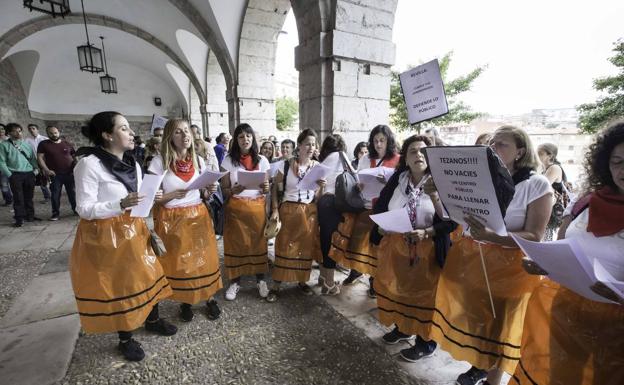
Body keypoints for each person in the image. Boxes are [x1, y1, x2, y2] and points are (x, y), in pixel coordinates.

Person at [429, 125, 553, 385]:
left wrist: (492, 237)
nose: (493, 148)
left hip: (513, 271)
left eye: (501, 144)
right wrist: (435, 195)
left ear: (520, 151)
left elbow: (534, 236)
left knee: (503, 327)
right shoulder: (481, 177)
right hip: (477, 261)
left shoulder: (536, 184)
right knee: (481, 319)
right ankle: (481, 365)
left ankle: (493, 378)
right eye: (492, 143)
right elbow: (454, 216)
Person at [513, 121, 624, 385]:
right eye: (617, 161)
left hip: (617, 326)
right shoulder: (585, 202)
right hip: (568, 309)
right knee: (561, 377)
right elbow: (562, 246)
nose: (623, 169)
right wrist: (544, 262)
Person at [71, 111, 176, 362]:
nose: (131, 134)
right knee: (120, 283)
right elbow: (83, 209)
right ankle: (125, 338)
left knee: (147, 274)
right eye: (124, 128)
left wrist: (152, 198)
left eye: (129, 129)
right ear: (108, 135)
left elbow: (138, 197)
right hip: (106, 235)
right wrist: (119, 203)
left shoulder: (133, 163)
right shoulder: (88, 164)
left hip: (134, 228)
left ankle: (152, 319)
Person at [371, 134, 457, 362]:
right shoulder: (399, 178)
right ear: (405, 158)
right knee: (401, 289)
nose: (418, 154)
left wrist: (428, 232)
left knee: (425, 297)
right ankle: (404, 327)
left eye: (423, 151)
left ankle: (426, 341)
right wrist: (380, 225)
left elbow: (452, 220)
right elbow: (382, 204)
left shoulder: (441, 180)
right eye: (413, 151)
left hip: (427, 248)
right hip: (398, 246)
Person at [149, 118, 223, 322]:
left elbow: (203, 195)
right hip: (172, 219)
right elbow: (149, 198)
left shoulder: (198, 160)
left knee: (203, 258)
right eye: (178, 132)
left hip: (198, 215)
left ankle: (209, 298)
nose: (185, 135)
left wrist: (209, 190)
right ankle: (186, 301)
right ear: (169, 137)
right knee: (182, 263)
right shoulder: (159, 162)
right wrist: (172, 195)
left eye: (186, 131)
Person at [332, 124, 400, 298]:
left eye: (382, 140)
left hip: (385, 209)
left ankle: (374, 281)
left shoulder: (398, 159)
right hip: (366, 205)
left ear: (388, 141)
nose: (378, 144)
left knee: (377, 247)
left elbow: (401, 186)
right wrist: (359, 185)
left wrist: (387, 183)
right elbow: (359, 178)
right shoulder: (366, 158)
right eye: (375, 141)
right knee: (359, 242)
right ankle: (356, 271)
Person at [266, 129, 324, 302]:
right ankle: (276, 284)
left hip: (309, 212)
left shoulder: (318, 168)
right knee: (283, 246)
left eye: (313, 144)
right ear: (299, 146)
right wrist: (275, 209)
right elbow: (276, 188)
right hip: (288, 210)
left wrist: (322, 186)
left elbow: (318, 197)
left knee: (304, 248)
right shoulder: (286, 165)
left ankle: (302, 281)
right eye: (307, 143)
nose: (311, 147)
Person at [220, 123, 271, 301]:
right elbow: (224, 189)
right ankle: (235, 282)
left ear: (253, 138)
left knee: (258, 244)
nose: (245, 139)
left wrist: (266, 187)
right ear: (236, 140)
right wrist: (233, 191)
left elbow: (266, 189)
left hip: (257, 210)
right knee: (237, 245)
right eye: (241, 136)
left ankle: (260, 280)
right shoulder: (228, 160)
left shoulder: (263, 160)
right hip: (236, 209)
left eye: (248, 135)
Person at [316, 134, 349, 295]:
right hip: (334, 203)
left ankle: (323, 276)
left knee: (323, 239)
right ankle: (329, 283)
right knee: (331, 242)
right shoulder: (340, 156)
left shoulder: (324, 159)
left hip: (322, 202)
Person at [0, 123, 40, 226]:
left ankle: (30, 216)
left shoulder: (26, 144)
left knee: (29, 197)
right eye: (15, 131)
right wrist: (10, 174)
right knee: (18, 197)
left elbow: (32, 159)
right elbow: (1, 162)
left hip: (29, 174)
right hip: (15, 174)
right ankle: (19, 219)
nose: (18, 133)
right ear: (9, 133)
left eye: (20, 130)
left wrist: (35, 170)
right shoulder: (4, 145)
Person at [37, 126, 76, 220]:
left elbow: (75, 157)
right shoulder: (43, 144)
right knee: (55, 194)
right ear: (47, 134)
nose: (54, 135)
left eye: (55, 132)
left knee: (73, 193)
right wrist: (46, 170)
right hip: (54, 174)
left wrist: (76, 168)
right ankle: (55, 214)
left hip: (69, 173)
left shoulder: (67, 143)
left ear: (59, 132)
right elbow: (40, 158)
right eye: (51, 133)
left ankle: (76, 210)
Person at [537, 143, 569, 241]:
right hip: (547, 206)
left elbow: (540, 188)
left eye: (540, 154)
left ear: (550, 155)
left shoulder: (554, 168)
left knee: (544, 239)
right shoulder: (545, 168)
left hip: (552, 209)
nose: (537, 156)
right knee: (543, 238)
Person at [25, 124, 51, 203]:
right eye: (30, 129)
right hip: (35, 163)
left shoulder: (45, 139)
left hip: (46, 161)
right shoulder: (27, 140)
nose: (31, 130)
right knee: (41, 180)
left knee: (50, 179)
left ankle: (55, 195)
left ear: (37, 129)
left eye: (33, 128)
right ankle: (47, 197)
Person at [0, 123, 13, 206]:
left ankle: (9, 200)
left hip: (6, 166)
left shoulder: (9, 140)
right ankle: (7, 199)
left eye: (2, 128)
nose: (0, 130)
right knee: (2, 184)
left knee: (4, 184)